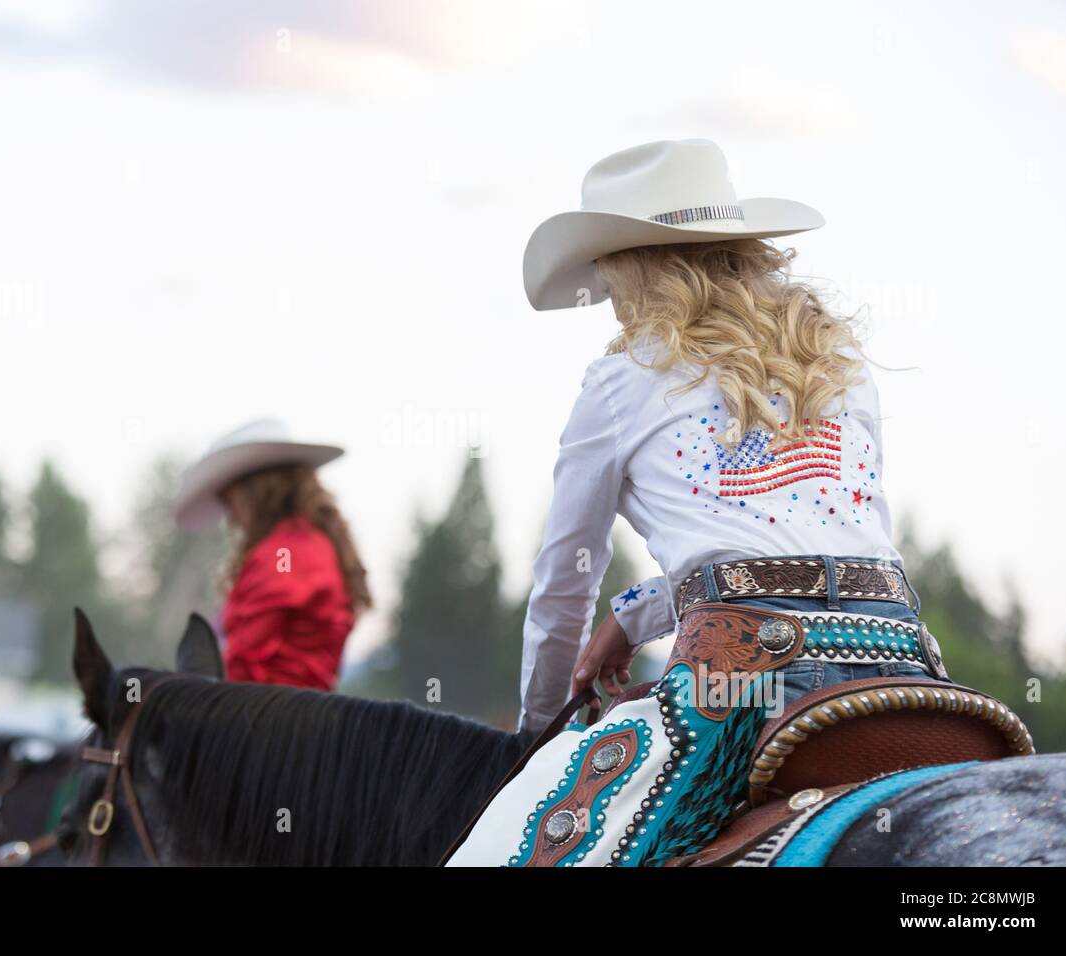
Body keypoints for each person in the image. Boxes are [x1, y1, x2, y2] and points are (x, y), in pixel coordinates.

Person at [448, 138, 956, 867]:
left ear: (631, 264)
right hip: (901, 658)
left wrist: (537, 734)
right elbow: (823, 546)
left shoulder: (622, 382)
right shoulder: (837, 363)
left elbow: (565, 581)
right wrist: (640, 611)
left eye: (606, 269)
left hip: (746, 677)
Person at [174, 418, 371, 690]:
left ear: (255, 491)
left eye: (230, 501)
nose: (231, 517)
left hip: (270, 721)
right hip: (304, 715)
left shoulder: (284, 553)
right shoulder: (311, 543)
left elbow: (244, 662)